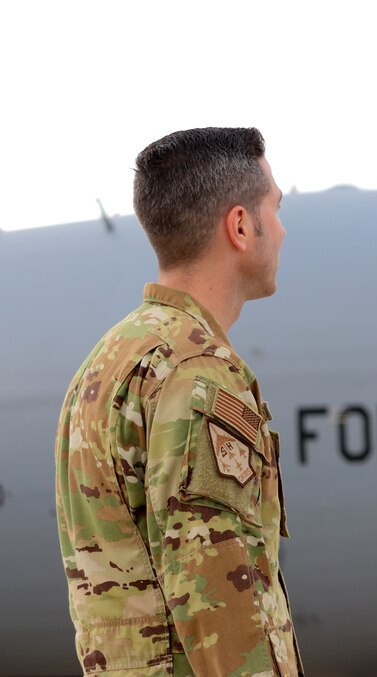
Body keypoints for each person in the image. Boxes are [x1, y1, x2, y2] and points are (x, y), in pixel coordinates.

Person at [55, 128, 302, 676]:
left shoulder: (109, 359)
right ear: (240, 226)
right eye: (275, 208)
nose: (283, 230)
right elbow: (217, 596)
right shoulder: (196, 370)